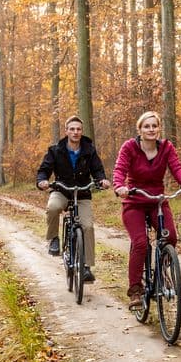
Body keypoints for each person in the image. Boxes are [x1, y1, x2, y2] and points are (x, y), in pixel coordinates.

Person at [113, 110, 181, 307]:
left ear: (158, 128)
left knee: (170, 237)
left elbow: (177, 168)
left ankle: (161, 272)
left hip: (157, 201)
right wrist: (120, 186)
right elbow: (120, 169)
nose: (151, 129)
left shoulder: (166, 147)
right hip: (134, 201)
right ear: (140, 129)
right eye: (146, 126)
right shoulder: (129, 147)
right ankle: (135, 289)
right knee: (141, 243)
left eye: (154, 126)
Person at [37, 116, 110, 282]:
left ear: (81, 131)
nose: (75, 132)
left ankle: (86, 267)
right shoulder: (55, 150)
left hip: (82, 193)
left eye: (78, 129)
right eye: (72, 129)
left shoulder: (89, 150)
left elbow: (97, 170)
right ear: (66, 131)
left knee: (88, 226)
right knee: (53, 207)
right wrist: (42, 181)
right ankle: (53, 239)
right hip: (61, 190)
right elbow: (44, 170)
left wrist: (102, 180)